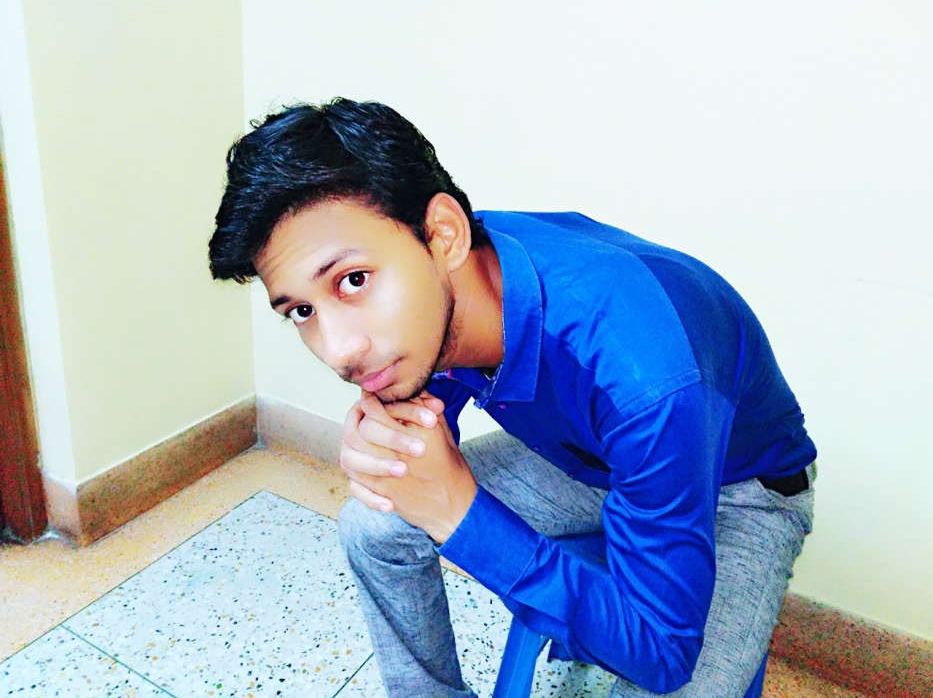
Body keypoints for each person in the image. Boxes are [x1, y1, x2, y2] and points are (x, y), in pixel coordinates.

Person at [208, 98, 817, 697]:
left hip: (738, 490)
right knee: (376, 521)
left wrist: (461, 514)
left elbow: (662, 654)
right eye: (302, 311)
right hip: (588, 459)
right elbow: (423, 425)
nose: (340, 350)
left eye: (354, 280)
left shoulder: (642, 377)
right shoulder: (450, 271)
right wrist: (390, 440)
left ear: (443, 235)